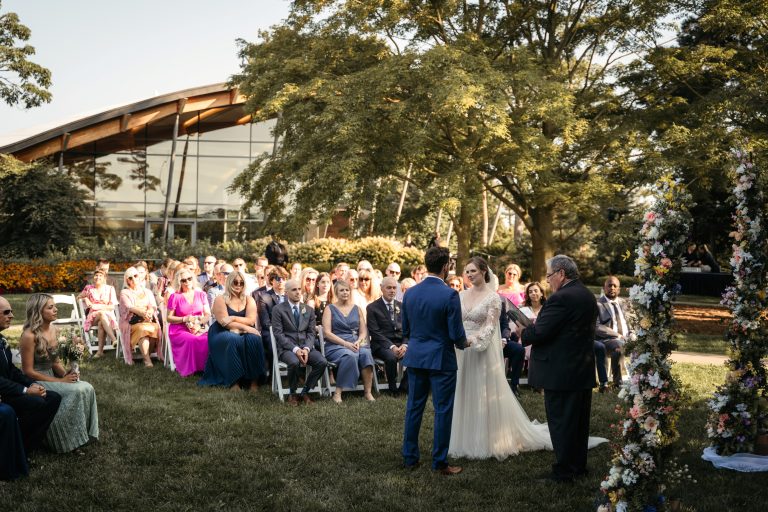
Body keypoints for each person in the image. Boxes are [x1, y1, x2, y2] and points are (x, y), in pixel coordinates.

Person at [450, 256, 555, 460]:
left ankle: (487, 439)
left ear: (483, 272)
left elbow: (490, 327)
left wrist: (472, 340)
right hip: (461, 350)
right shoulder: (460, 295)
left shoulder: (494, 298)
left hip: (481, 349)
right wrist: (458, 339)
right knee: (463, 389)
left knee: (482, 391)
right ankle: (464, 436)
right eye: (467, 271)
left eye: (473, 271)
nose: (470, 275)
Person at [520, 255, 603, 482]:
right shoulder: (586, 294)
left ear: (561, 274)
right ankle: (578, 466)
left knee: (561, 423)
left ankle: (565, 471)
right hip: (581, 368)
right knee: (578, 424)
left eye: (549, 276)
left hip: (560, 372)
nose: (548, 281)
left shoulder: (560, 298)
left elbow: (540, 332)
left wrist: (523, 331)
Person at [401, 247, 468, 475]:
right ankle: (439, 462)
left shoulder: (410, 293)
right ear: (446, 266)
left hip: (416, 357)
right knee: (443, 410)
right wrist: (464, 343)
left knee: (414, 407)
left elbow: (406, 330)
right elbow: (456, 333)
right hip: (441, 359)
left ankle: (410, 458)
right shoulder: (450, 295)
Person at [20, 294, 99, 454]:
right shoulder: (29, 336)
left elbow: (55, 362)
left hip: (53, 376)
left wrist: (66, 374)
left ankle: (82, 436)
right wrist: (61, 381)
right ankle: (63, 441)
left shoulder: (54, 330)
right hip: (37, 380)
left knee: (87, 387)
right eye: (50, 307)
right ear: (38, 311)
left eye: (54, 306)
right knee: (77, 391)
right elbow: (28, 371)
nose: (56, 310)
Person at [0, 296, 61, 468]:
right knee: (36, 402)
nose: (12, 315)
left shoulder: (2, 340)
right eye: (6, 312)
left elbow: (11, 370)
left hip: (9, 390)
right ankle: (17, 449)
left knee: (53, 398)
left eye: (11, 311)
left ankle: (24, 446)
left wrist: (31, 384)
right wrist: (25, 391)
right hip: (4, 394)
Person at [198, 271, 266, 391]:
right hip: (221, 331)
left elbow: (251, 320)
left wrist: (233, 317)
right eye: (235, 282)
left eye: (241, 282)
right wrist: (246, 328)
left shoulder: (249, 299)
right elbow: (224, 322)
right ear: (229, 282)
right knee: (233, 339)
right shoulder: (220, 299)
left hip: (244, 330)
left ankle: (254, 381)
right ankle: (234, 381)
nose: (238, 285)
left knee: (254, 339)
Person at [272, 279, 328, 405]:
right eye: (294, 290)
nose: (298, 292)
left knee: (322, 362)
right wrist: (295, 349)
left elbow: (311, 333)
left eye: (299, 289)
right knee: (294, 362)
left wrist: (307, 348)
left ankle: (305, 392)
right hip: (287, 349)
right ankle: (293, 394)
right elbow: (278, 334)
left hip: (306, 347)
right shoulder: (278, 309)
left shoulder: (308, 309)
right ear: (286, 292)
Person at [322, 279, 375, 403]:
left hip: (356, 342)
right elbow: (327, 333)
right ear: (336, 293)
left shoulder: (357, 308)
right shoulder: (329, 308)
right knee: (350, 355)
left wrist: (358, 341)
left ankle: (368, 392)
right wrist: (346, 344)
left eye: (347, 290)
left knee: (366, 354)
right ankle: (338, 393)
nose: (345, 292)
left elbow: (363, 331)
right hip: (336, 344)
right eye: (342, 290)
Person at [166, 268, 210, 376]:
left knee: (208, 339)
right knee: (192, 339)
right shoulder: (175, 296)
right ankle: (192, 368)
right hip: (179, 329)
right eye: (183, 280)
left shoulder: (201, 294)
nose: (187, 282)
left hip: (199, 326)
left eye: (189, 279)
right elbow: (169, 318)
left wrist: (199, 325)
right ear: (179, 282)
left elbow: (207, 314)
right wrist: (184, 319)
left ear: (193, 279)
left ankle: (206, 367)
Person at [367, 277, 407, 395]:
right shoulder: (372, 308)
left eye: (394, 288)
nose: (392, 291)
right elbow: (375, 332)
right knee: (391, 357)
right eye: (389, 288)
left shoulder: (402, 306)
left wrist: (405, 345)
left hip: (401, 343)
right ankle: (392, 387)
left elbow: (408, 329)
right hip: (381, 344)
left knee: (416, 354)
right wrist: (391, 347)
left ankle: (404, 386)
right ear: (381, 288)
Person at [119, 267, 162, 367]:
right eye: (130, 278)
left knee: (155, 328)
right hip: (132, 321)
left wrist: (149, 313)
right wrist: (143, 313)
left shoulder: (147, 291)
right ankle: (147, 360)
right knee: (142, 329)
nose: (133, 279)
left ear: (139, 277)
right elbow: (130, 307)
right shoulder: (124, 292)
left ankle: (146, 356)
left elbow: (153, 306)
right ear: (127, 281)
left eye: (135, 276)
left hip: (147, 319)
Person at [595, 276, 631, 390]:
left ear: (619, 289)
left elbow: (632, 322)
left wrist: (632, 333)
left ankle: (641, 380)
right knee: (618, 346)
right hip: (607, 340)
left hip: (628, 338)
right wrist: (617, 335)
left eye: (615, 286)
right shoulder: (597, 304)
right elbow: (596, 326)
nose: (612, 288)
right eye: (609, 285)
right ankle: (618, 383)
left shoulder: (625, 303)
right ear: (604, 288)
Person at [78, 268, 118, 357]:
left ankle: (100, 352)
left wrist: (99, 307)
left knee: (101, 323)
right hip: (93, 317)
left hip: (108, 316)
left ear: (104, 278)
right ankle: (114, 339)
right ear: (93, 277)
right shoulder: (88, 288)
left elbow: (112, 306)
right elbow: (78, 298)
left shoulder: (110, 289)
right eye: (96, 275)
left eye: (100, 275)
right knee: (101, 314)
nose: (98, 277)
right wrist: (85, 298)